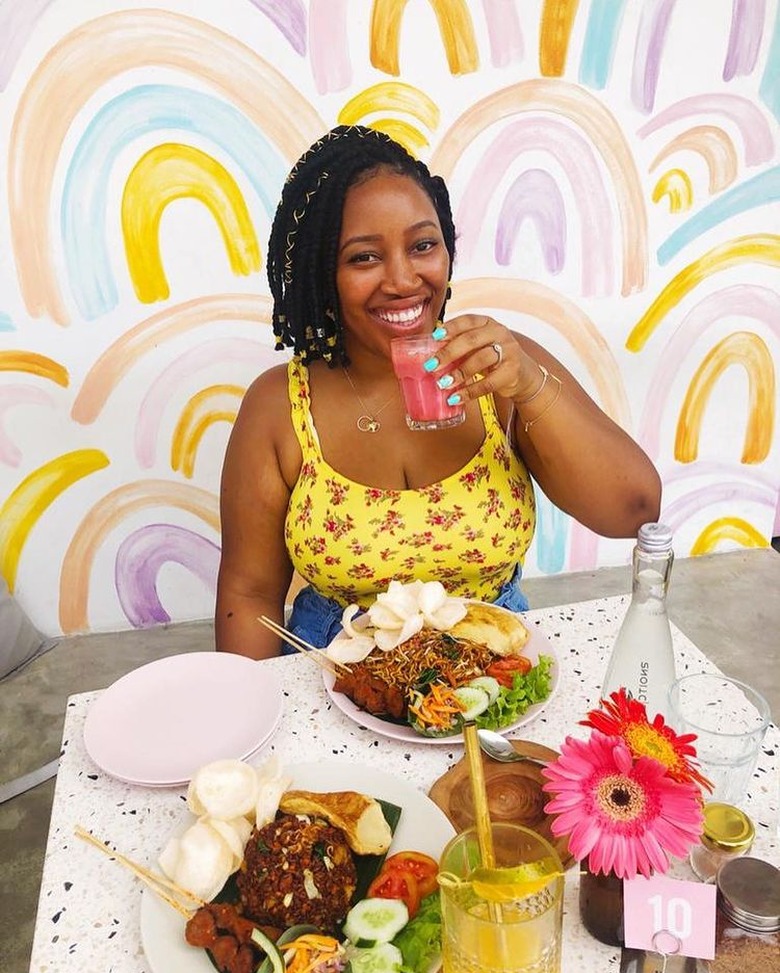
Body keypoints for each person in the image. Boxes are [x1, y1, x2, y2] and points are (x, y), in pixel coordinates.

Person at [215, 125, 661, 659]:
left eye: (423, 245)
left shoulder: (502, 368)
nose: (403, 280)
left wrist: (529, 389)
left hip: (495, 671)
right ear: (322, 273)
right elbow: (250, 594)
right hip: (332, 672)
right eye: (363, 257)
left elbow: (634, 510)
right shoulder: (280, 406)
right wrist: (263, 724)